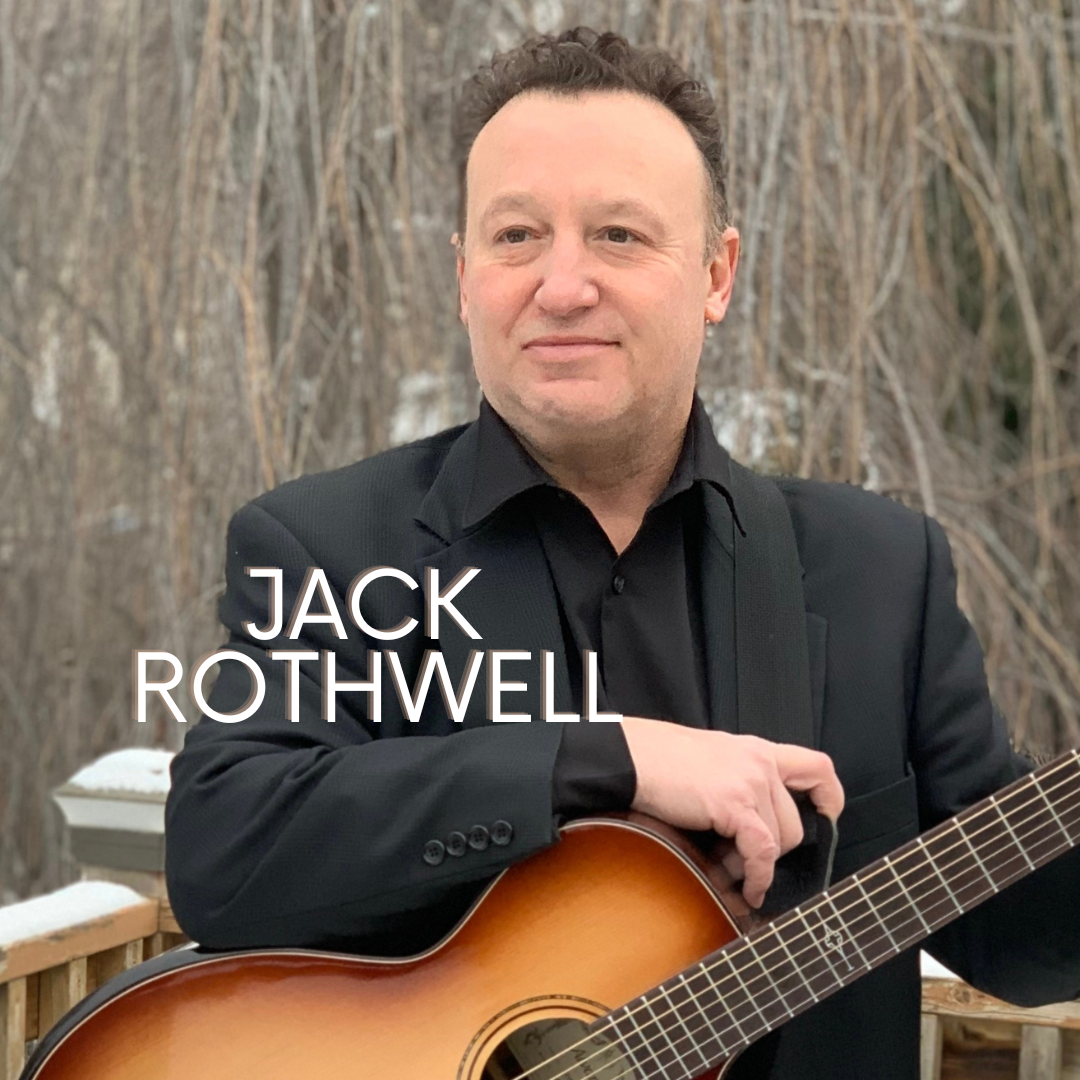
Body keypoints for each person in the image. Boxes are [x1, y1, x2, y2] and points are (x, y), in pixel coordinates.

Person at [164, 27, 1080, 1080]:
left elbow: (1024, 936)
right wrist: (606, 757)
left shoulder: (884, 571)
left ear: (717, 274)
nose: (561, 285)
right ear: (465, 278)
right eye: (516, 237)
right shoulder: (325, 549)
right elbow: (224, 850)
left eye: (618, 235)